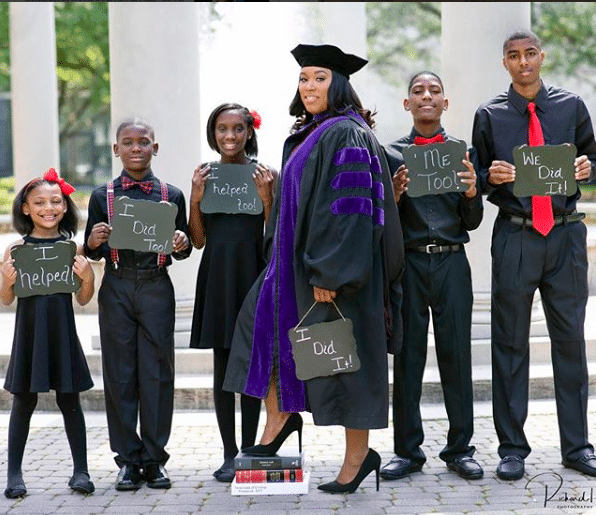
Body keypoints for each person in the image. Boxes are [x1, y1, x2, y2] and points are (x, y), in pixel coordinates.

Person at [223, 43, 404, 494]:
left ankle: (358, 459)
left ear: (338, 84)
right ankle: (280, 418)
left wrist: (331, 273)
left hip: (335, 277)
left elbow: (351, 211)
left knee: (346, 363)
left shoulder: (347, 134)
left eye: (319, 78)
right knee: (258, 332)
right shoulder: (313, 132)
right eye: (304, 79)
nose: (309, 87)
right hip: (292, 272)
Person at [472, 30, 596, 480]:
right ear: (504, 63)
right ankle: (511, 448)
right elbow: (477, 176)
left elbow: (593, 159)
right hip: (516, 237)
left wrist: (588, 167)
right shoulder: (489, 115)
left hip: (564, 237)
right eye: (513, 56)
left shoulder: (572, 107)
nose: (523, 62)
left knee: (570, 343)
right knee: (508, 343)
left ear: (542, 57)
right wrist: (492, 176)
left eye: (529, 54)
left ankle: (577, 447)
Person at [380, 72, 484, 482]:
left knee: (456, 355)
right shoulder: (392, 155)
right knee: (407, 358)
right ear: (407, 104)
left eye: (435, 91)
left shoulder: (462, 153)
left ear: (445, 103)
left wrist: (473, 193)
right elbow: (383, 221)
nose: (427, 96)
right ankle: (407, 451)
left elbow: (472, 222)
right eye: (418, 92)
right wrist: (393, 194)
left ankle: (460, 449)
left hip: (452, 263)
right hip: (409, 263)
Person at [84, 118, 191, 490]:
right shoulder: (102, 196)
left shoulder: (171, 194)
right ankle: (127, 460)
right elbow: (90, 250)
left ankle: (155, 458)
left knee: (158, 372)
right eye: (127, 142)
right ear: (116, 149)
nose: (135, 148)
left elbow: (185, 247)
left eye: (143, 142)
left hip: (156, 285)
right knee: (119, 373)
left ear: (154, 148)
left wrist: (181, 241)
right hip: (116, 284)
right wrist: (95, 239)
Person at [188, 103, 277, 483]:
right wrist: (194, 197)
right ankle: (227, 453)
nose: (230, 136)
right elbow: (197, 239)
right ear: (213, 133)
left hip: (253, 272)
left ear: (249, 132)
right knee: (223, 365)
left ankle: (248, 450)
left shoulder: (265, 173)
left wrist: (268, 198)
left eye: (237, 129)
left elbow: (274, 235)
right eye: (222, 129)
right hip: (218, 274)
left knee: (252, 363)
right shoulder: (205, 175)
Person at [1, 169, 96, 498]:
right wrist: (6, 279)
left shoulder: (72, 249)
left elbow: (83, 300)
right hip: (29, 334)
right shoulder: (15, 251)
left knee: (70, 400)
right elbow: (7, 298)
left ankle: (81, 471)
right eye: (39, 202)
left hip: (62, 333)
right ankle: (14, 474)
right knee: (22, 401)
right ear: (26, 208)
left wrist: (87, 278)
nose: (48, 207)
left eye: (56, 201)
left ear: (65, 207)